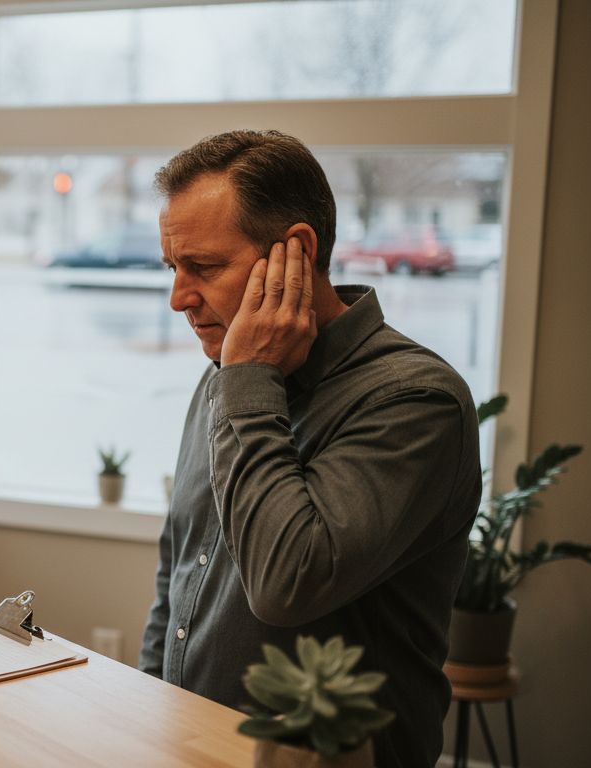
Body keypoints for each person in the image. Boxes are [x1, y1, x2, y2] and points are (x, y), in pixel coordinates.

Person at [137, 131, 480, 767]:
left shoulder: (415, 401)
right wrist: (151, 713)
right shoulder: (225, 376)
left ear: (295, 250)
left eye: (204, 267)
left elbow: (286, 586)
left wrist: (249, 380)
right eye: (172, 268)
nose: (179, 297)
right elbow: (180, 567)